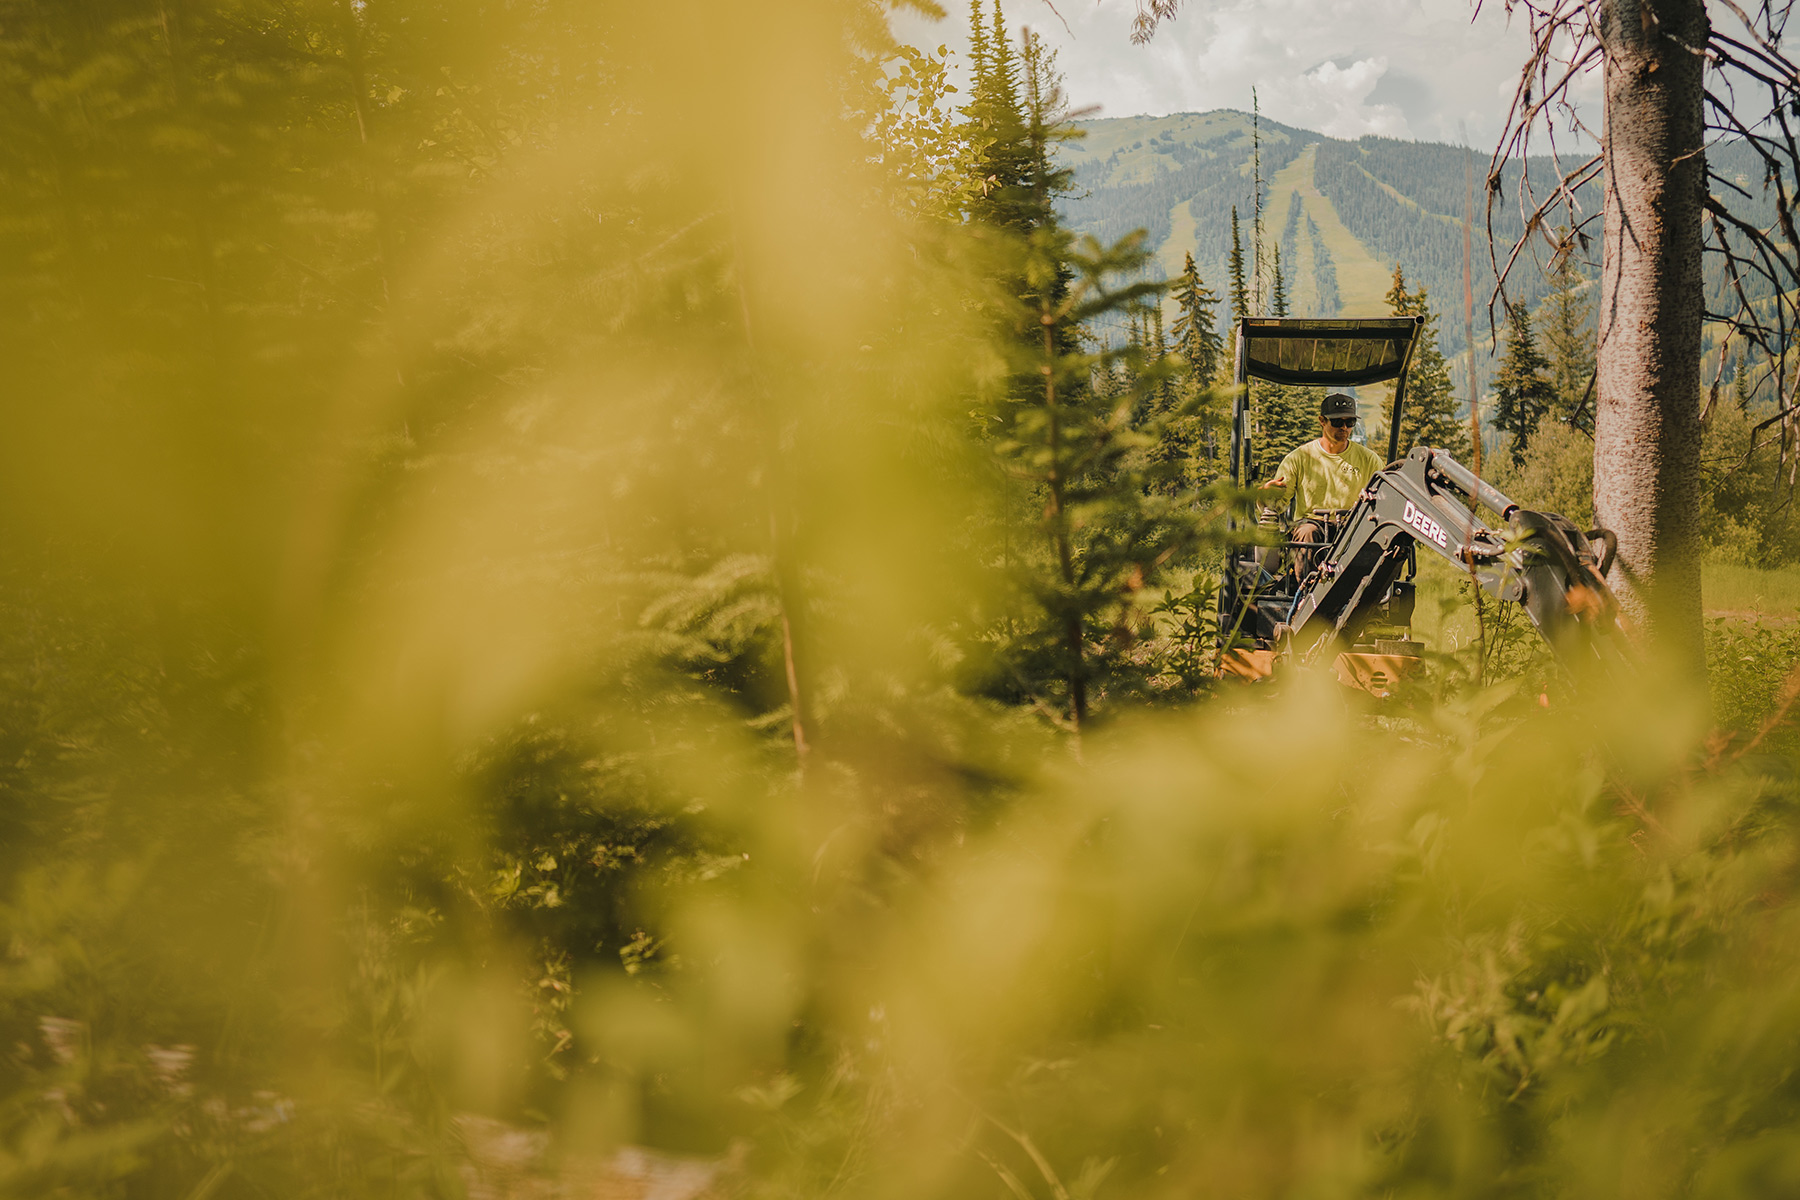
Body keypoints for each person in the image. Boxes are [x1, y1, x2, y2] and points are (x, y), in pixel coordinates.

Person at [1263, 392, 1384, 581]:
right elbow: (1277, 504)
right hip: (1313, 524)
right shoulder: (1298, 459)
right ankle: (1306, 591)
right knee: (1307, 533)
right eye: (1337, 422)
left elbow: (1383, 498)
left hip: (1352, 526)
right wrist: (1266, 496)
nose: (1344, 428)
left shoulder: (1369, 460)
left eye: (1350, 422)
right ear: (1322, 420)